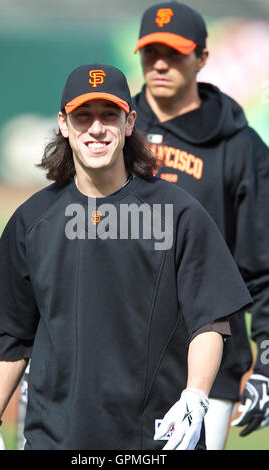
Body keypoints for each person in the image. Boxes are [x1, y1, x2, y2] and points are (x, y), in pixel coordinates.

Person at [0, 62, 252, 451]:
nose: (97, 128)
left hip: (153, 440)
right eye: (83, 116)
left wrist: (195, 397)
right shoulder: (32, 220)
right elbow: (12, 335)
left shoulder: (179, 213)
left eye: (109, 115)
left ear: (129, 122)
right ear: (64, 124)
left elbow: (211, 322)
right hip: (56, 439)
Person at [132, 1, 269, 450]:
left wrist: (267, 358)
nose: (160, 63)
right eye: (151, 51)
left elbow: (261, 260)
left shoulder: (240, 147)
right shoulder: (109, 130)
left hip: (210, 357)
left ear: (202, 58)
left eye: (175, 52)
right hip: (114, 349)